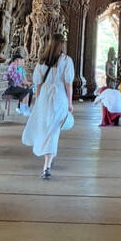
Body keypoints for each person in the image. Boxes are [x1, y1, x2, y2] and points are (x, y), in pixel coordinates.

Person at [22, 33, 74, 180]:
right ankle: (47, 166)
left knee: (47, 128)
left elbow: (38, 84)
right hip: (59, 97)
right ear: (62, 45)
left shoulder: (41, 62)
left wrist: (39, 101)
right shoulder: (66, 60)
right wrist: (70, 103)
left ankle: (48, 157)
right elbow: (68, 83)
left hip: (45, 96)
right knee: (53, 130)